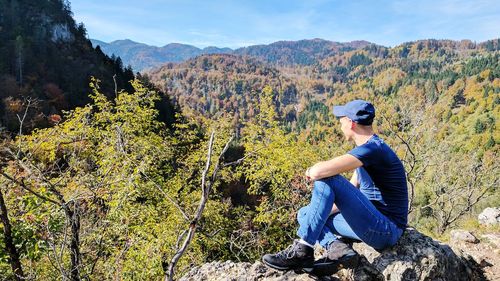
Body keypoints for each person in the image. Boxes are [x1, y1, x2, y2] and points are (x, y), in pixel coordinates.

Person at [262, 100, 408, 274]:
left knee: (327, 179)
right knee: (305, 214)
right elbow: (348, 197)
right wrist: (319, 214)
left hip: (386, 230)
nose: (340, 125)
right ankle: (338, 250)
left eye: (342, 120)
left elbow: (318, 172)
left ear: (351, 123)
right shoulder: (367, 152)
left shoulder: (373, 150)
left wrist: (310, 170)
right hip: (371, 224)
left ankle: (303, 250)